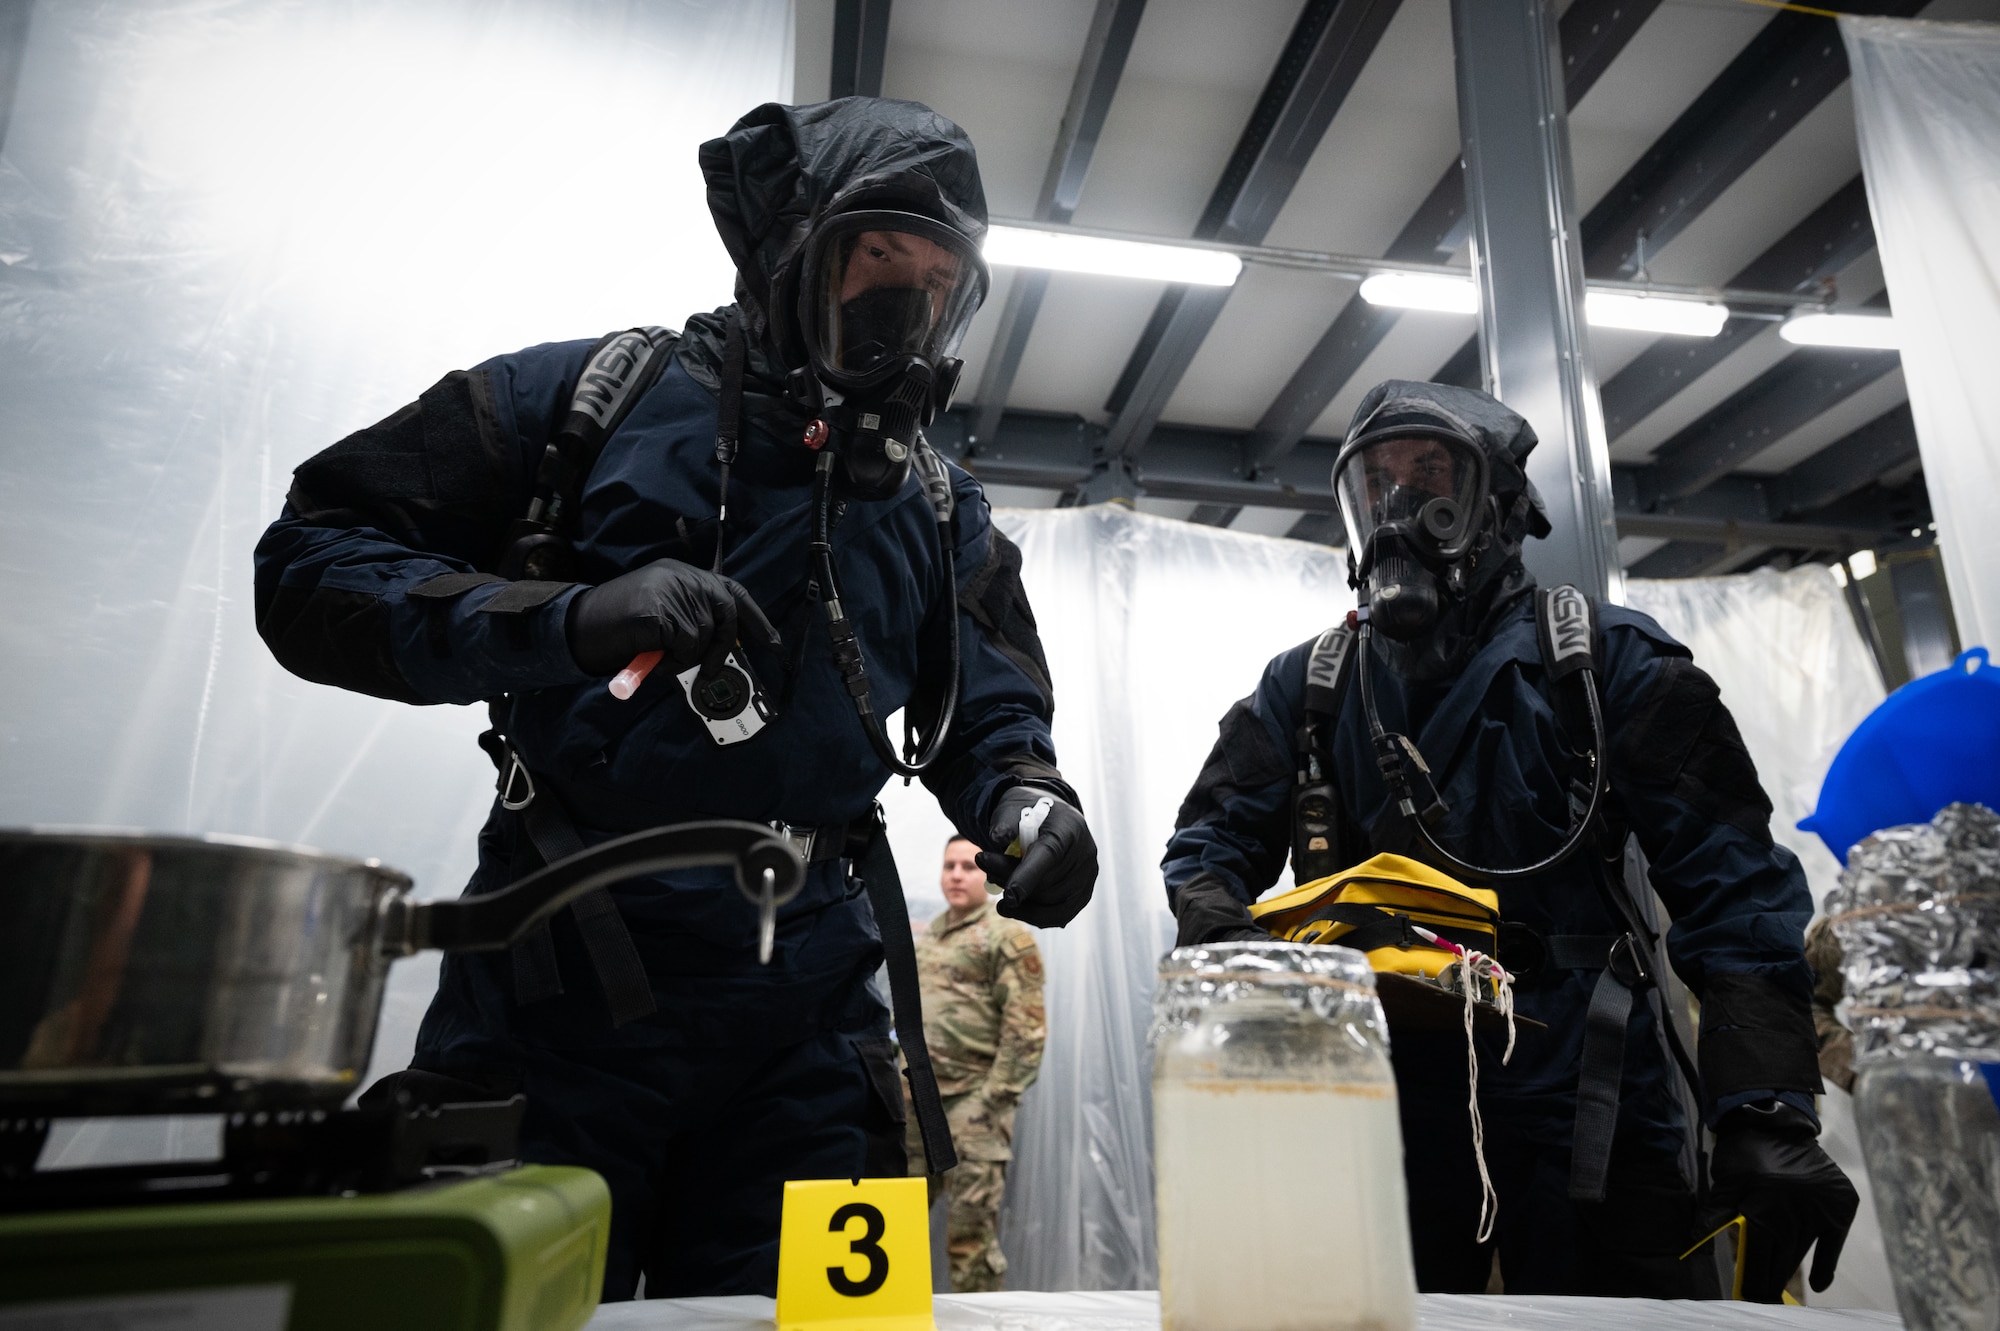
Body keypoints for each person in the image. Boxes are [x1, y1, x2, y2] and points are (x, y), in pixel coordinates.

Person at [253, 97, 1098, 1300]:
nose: (904, 308)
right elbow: (309, 562)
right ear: (789, 249)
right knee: (508, 1310)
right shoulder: (585, 401)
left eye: (937, 279)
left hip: (809, 1010)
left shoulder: (937, 502)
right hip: (558, 993)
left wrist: (1022, 795)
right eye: (875, 261)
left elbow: (988, 704)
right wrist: (566, 622)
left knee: (820, 1327)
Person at [1161, 379, 1856, 1302]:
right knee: (1362, 1311)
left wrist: (1766, 1104)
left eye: (1432, 480)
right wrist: (1246, 959)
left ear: (1499, 508)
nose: (1400, 511)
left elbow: (1733, 886)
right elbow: (1207, 844)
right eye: (1378, 487)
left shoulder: (1610, 665)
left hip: (1587, 1083)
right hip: (1381, 1082)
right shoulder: (1307, 688)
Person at [905, 835, 1046, 1291]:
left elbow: (1026, 1030)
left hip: (974, 1105)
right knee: (898, 1235)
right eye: (949, 866)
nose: (957, 875)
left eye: (968, 866)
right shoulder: (930, 935)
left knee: (971, 1243)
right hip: (920, 1108)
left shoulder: (1007, 934)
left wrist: (992, 1103)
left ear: (988, 874)